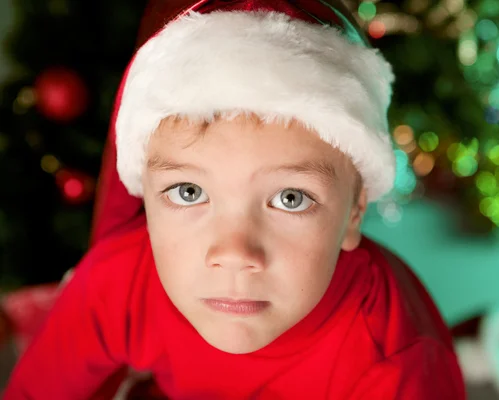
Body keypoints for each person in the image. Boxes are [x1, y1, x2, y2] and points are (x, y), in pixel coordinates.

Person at [3, 0, 465, 398]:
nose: (234, 254)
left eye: (290, 198)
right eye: (189, 192)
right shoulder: (120, 280)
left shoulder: (396, 359)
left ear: (353, 213)